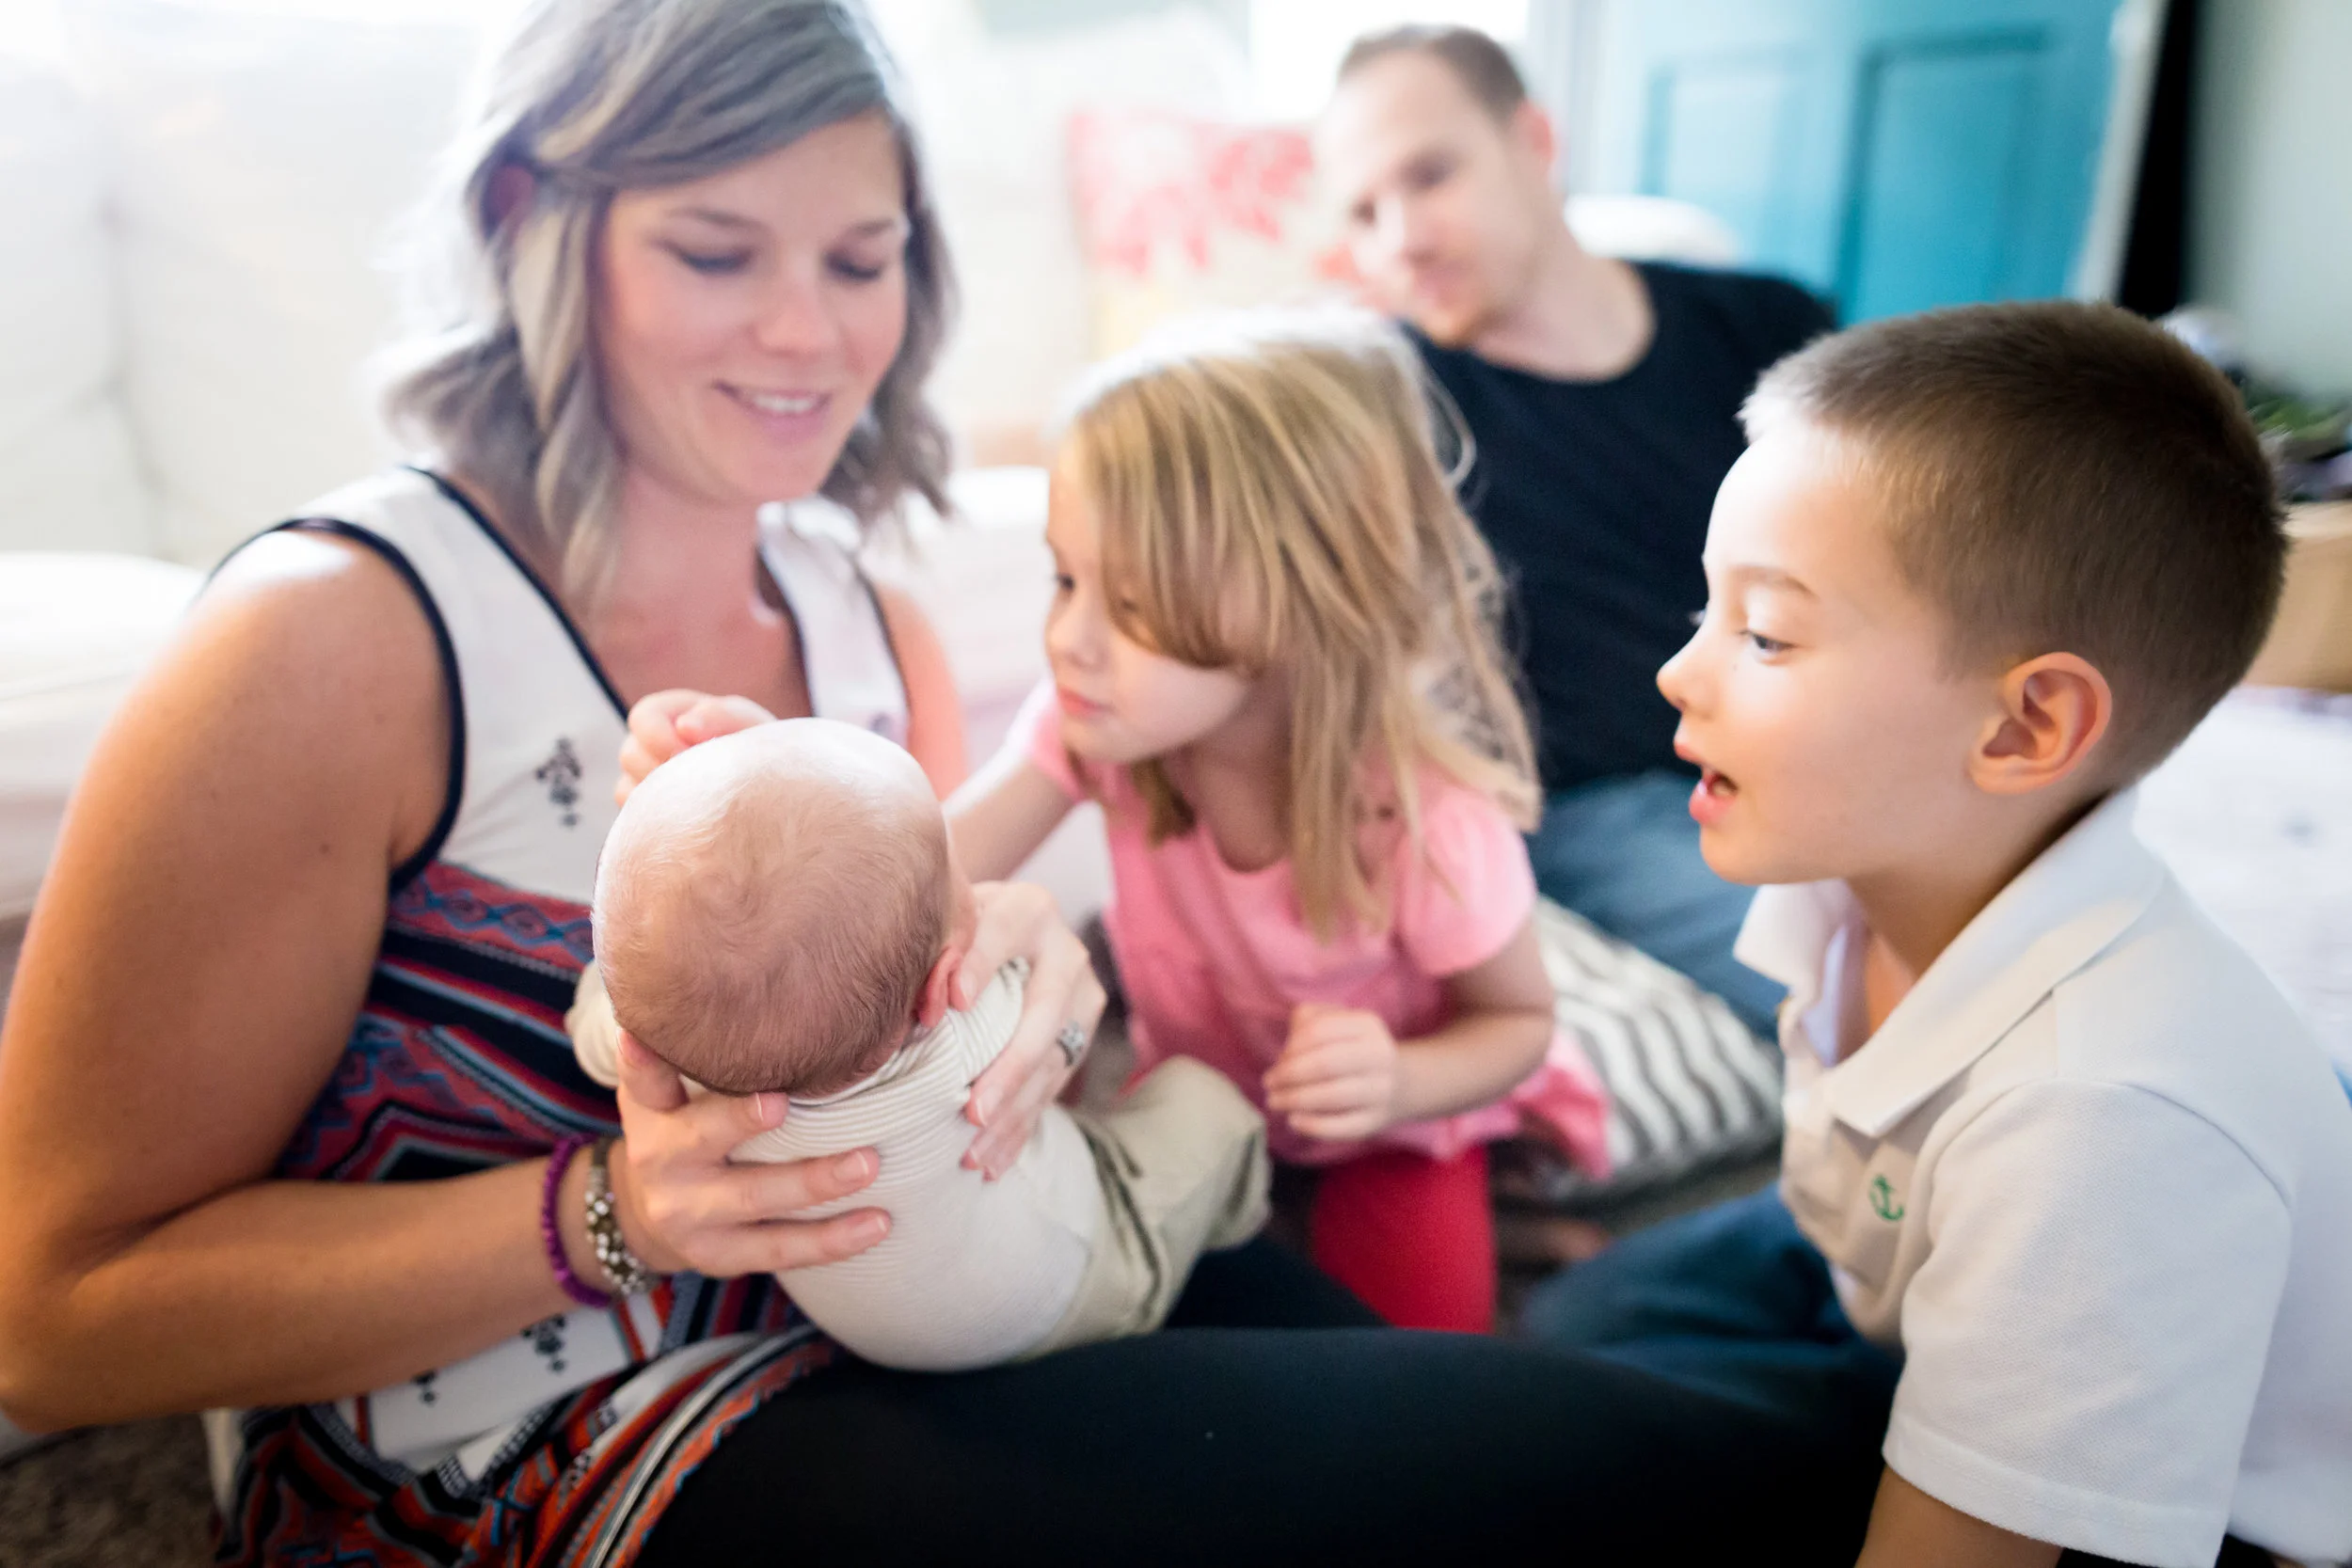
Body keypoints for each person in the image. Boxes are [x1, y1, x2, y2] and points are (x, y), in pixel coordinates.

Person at [0, 2, 1907, 1561]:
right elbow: (54, 1306)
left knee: (1481, 1411)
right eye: (713, 249)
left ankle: (1942, 1374)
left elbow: (906, 1000)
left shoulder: (855, 608)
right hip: (548, 1444)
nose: (810, 333)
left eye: (863, 255)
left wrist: (1023, 986)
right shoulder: (334, 634)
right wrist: (612, 1207)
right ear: (531, 221)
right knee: (1554, 1495)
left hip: (939, 1295)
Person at [1521, 302, 2352, 1568]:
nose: (1677, 674)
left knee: (1578, 1464)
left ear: (2024, 729)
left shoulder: (2102, 1118)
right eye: (1707, 608)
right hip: (1888, 1250)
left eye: (1765, 633)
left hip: (2181, 1493)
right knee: (1573, 1328)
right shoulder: (1853, 864)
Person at [950, 308, 1611, 1334]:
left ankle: (1501, 1208)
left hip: (1384, 1128)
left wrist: (1400, 1081)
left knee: (1413, 1383)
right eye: (1063, 577)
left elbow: (1518, 1022)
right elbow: (939, 861)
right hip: (1197, 1103)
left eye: (1127, 603)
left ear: (1303, 601)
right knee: (1112, 1316)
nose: (1066, 641)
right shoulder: (1098, 726)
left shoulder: (1423, 817)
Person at [1317, 24, 1835, 1035]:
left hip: (1826, 743)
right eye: (1364, 212)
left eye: (1429, 175)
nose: (1400, 240)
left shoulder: (1764, 325)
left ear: (1536, 141)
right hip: (1614, 807)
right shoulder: (1385, 404)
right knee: (1880, 999)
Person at [569, 717, 1268, 1371]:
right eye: (952, 870)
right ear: (940, 986)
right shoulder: (964, 1031)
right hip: (1072, 1286)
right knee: (1207, 1105)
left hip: (892, 1338)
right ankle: (1245, 1212)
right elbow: (1051, 1018)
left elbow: (607, 1018)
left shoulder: (665, 1049)